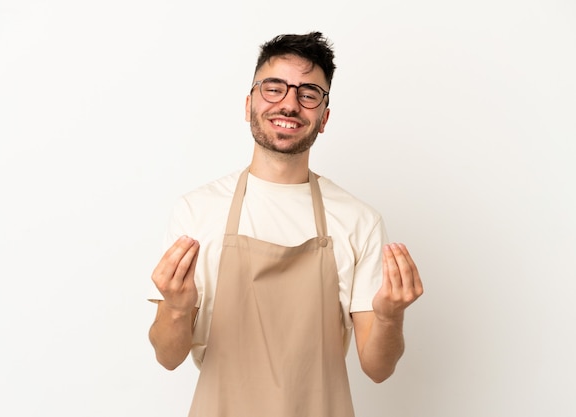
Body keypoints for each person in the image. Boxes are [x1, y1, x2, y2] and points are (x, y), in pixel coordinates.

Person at [148, 31, 424, 417]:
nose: (290, 104)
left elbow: (377, 368)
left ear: (324, 117)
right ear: (249, 104)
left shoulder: (359, 220)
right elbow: (167, 356)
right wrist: (177, 309)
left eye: (308, 93)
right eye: (274, 88)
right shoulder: (197, 212)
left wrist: (390, 316)